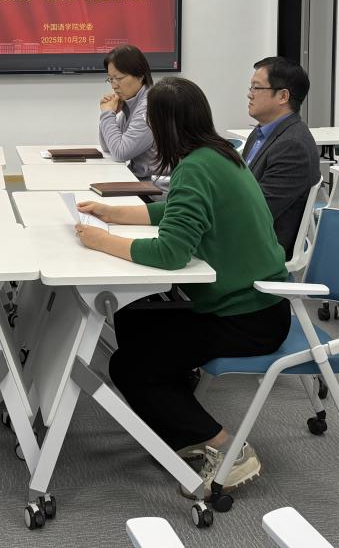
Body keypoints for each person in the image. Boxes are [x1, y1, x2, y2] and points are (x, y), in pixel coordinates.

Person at [74, 76, 289, 495]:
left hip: (248, 316)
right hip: (255, 304)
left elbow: (171, 252)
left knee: (130, 366)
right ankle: (182, 428)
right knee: (133, 319)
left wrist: (102, 241)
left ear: (163, 125)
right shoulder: (219, 155)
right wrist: (113, 214)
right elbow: (175, 211)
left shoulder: (194, 167)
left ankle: (229, 450)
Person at [242, 56, 321, 258]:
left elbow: (257, 211)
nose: (249, 94)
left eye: (256, 88)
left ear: (283, 96)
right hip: (244, 235)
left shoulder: (293, 146)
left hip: (260, 250)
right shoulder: (260, 133)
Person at [98, 44, 159, 181]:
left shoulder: (150, 106)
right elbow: (108, 147)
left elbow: (120, 153)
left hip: (156, 186)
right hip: (142, 180)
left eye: (119, 78)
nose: (114, 85)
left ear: (140, 75)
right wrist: (110, 114)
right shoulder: (132, 102)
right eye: (110, 79)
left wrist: (107, 113)